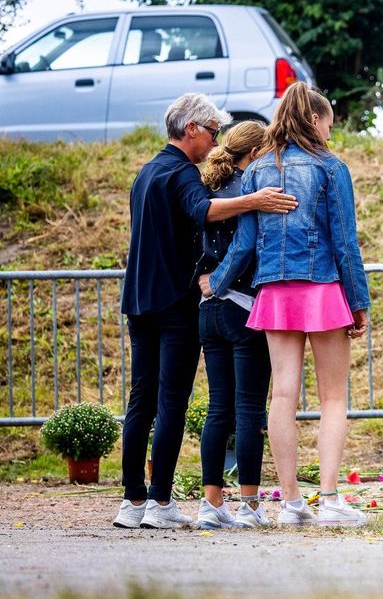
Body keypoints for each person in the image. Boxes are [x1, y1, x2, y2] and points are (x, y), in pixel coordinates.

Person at [114, 93, 298, 530]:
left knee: (141, 402)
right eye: (213, 131)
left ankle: (131, 500)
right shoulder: (182, 174)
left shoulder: (146, 173)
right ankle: (160, 504)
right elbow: (205, 211)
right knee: (172, 402)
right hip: (176, 304)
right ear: (192, 128)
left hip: (138, 300)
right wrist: (255, 200)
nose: (215, 141)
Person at [200, 82, 370, 527]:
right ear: (314, 119)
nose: (332, 130)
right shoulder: (331, 168)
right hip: (322, 287)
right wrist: (359, 301)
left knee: (282, 395)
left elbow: (245, 243)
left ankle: (290, 503)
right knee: (334, 398)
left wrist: (214, 282)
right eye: (329, 121)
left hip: (274, 291)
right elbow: (345, 242)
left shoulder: (257, 172)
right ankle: (330, 499)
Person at [193, 121, 274, 529]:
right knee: (248, 411)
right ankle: (249, 506)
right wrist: (223, 283)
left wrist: (206, 286)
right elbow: (243, 247)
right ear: (256, 152)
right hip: (242, 308)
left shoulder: (209, 190)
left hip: (208, 312)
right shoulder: (249, 191)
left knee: (218, 410)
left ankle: (211, 505)